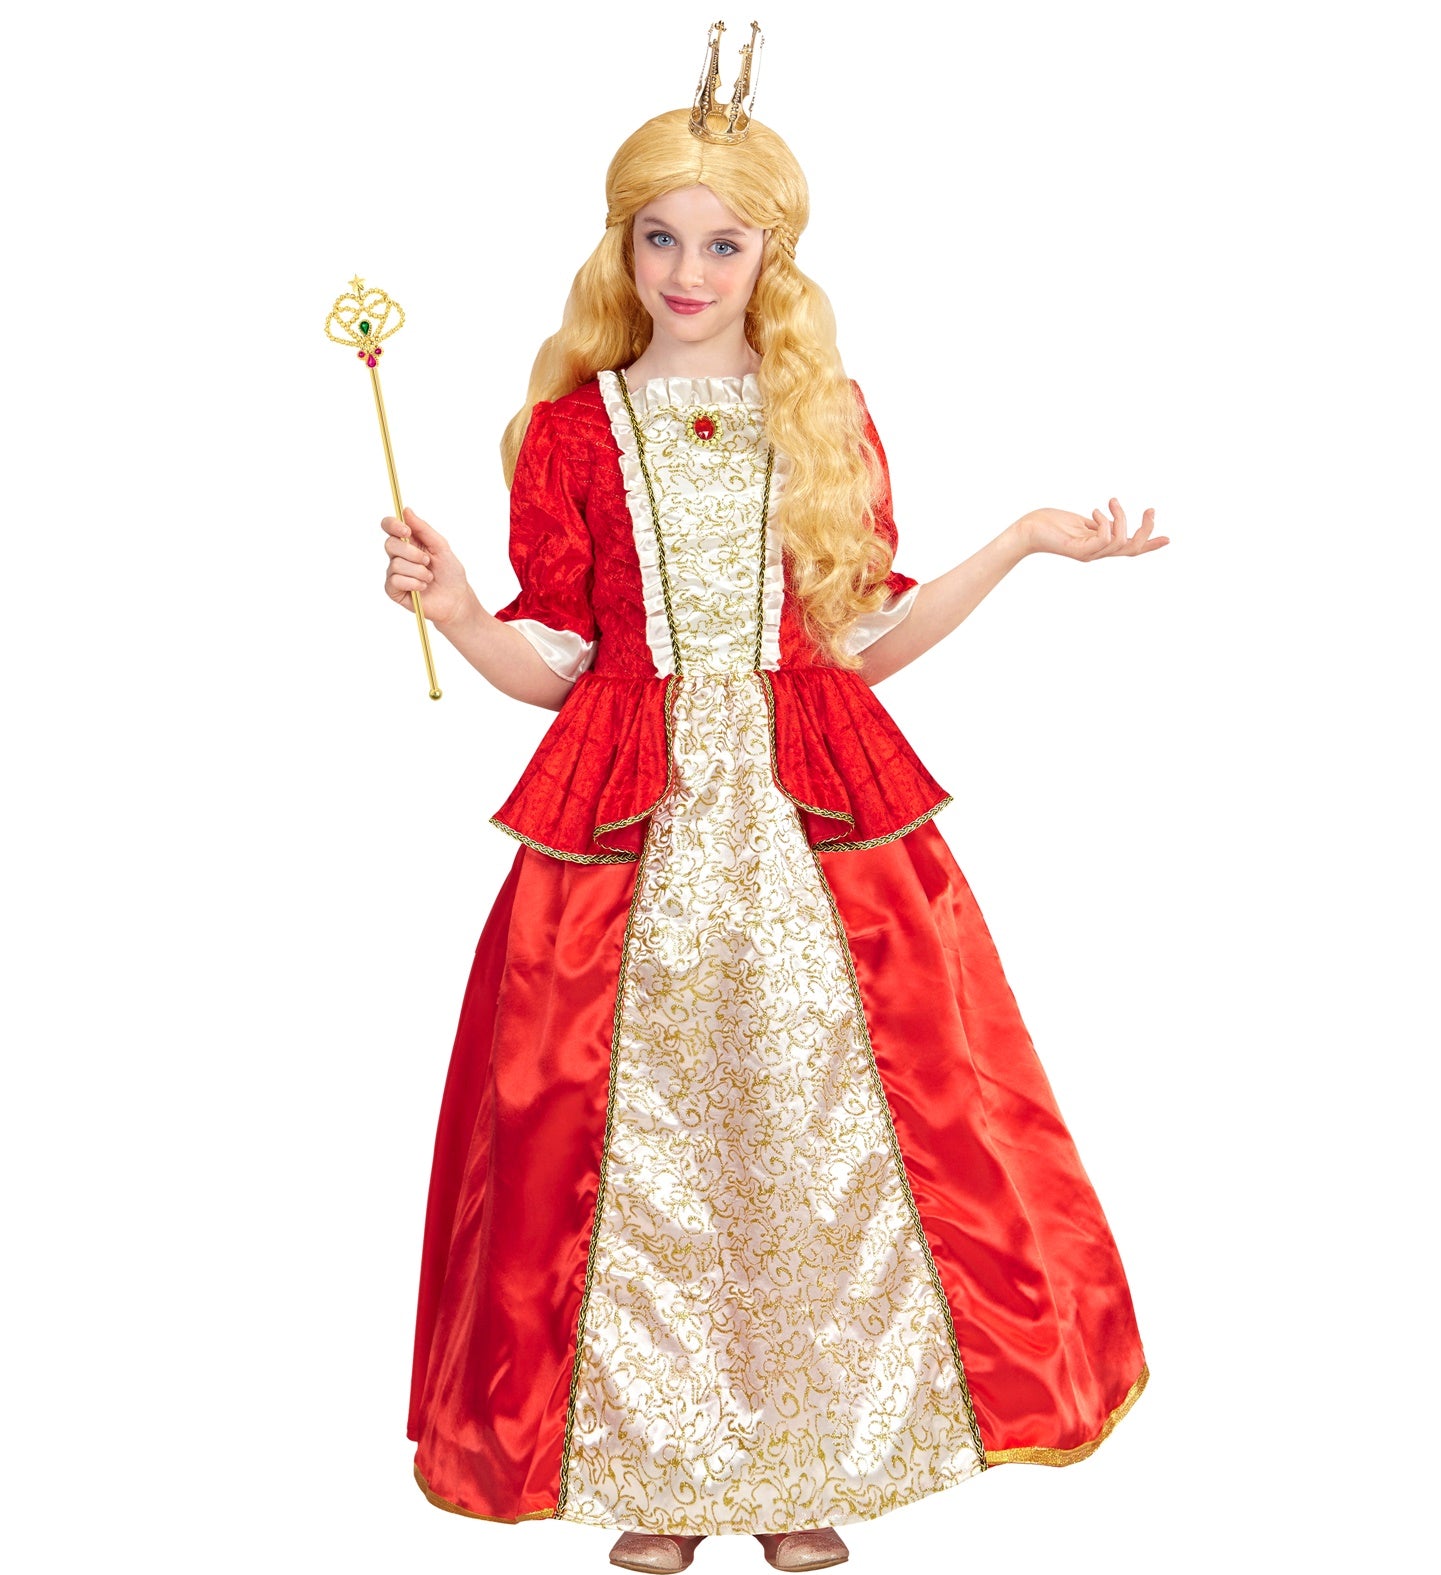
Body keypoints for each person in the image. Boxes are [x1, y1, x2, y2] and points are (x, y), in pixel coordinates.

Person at [387, 53, 1162, 1575]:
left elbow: (859, 639)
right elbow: (557, 666)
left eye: (721, 242)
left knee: (816, 1139)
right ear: (621, 247)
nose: (687, 271)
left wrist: (1018, 542)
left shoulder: (822, 418)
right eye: (659, 238)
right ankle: (658, 1473)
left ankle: (801, 1468)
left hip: (811, 828)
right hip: (630, 837)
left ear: (772, 256)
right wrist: (460, 607)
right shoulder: (574, 432)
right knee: (631, 1142)